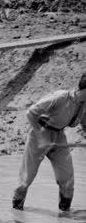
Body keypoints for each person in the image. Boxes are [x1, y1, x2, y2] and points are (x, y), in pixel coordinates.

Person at [12, 73, 86, 212]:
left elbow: (84, 123)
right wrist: (41, 136)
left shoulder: (83, 103)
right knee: (26, 178)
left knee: (67, 178)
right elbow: (31, 113)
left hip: (59, 135)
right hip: (39, 132)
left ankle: (64, 215)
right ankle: (16, 212)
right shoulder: (60, 97)